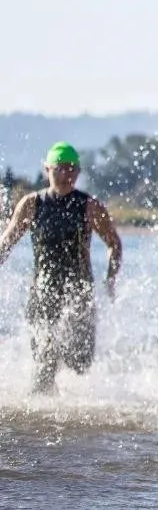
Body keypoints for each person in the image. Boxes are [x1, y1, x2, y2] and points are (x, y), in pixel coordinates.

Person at [0, 142, 124, 394]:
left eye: (72, 170)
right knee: (45, 359)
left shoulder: (89, 206)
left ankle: (72, 411)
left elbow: (114, 244)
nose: (66, 175)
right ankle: (44, 416)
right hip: (42, 294)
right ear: (47, 169)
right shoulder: (32, 203)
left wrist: (110, 279)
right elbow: (7, 240)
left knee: (80, 363)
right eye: (60, 169)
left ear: (78, 172)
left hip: (79, 294)